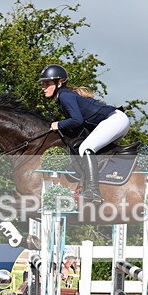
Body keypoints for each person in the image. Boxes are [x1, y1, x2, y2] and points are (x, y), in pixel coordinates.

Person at [39, 64, 130, 203]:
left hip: (115, 119)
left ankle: (93, 191)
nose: (43, 88)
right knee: (86, 147)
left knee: (85, 148)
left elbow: (77, 120)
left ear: (59, 82)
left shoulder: (64, 96)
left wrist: (59, 124)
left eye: (47, 84)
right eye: (43, 84)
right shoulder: (63, 96)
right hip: (116, 120)